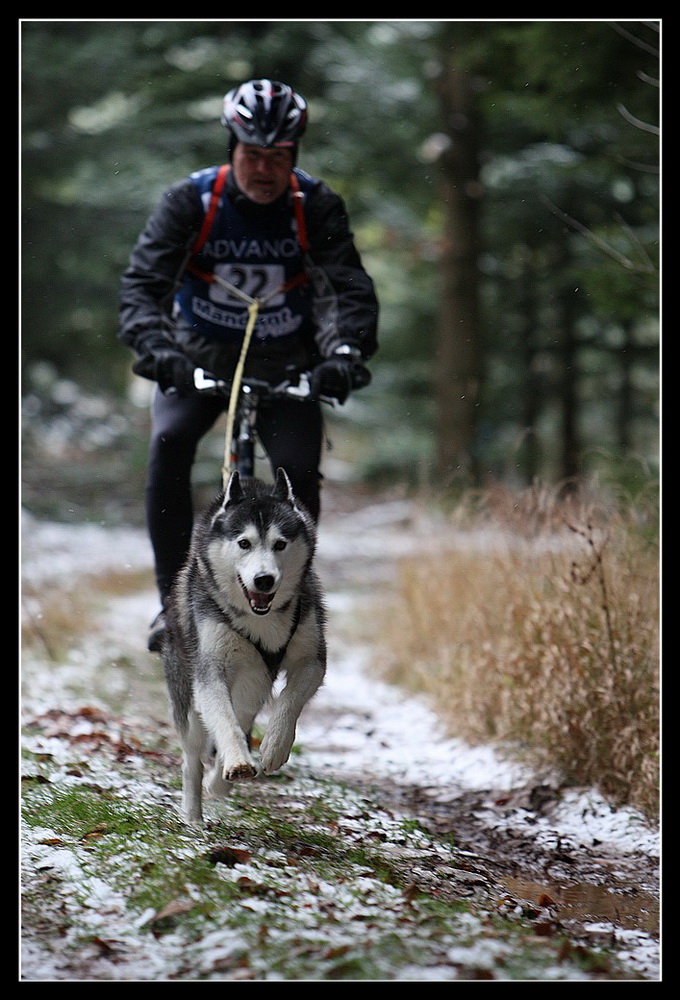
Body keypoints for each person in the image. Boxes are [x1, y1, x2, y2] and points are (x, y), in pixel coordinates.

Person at [119, 79, 378, 651]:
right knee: (169, 445)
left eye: (278, 158)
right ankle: (173, 604)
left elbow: (350, 288)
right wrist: (158, 349)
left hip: (287, 362)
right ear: (231, 148)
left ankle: (286, 610)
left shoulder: (316, 206)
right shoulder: (192, 202)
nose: (264, 170)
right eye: (253, 156)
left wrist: (345, 352)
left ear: (295, 156)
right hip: (198, 358)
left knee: (296, 475)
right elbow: (143, 287)